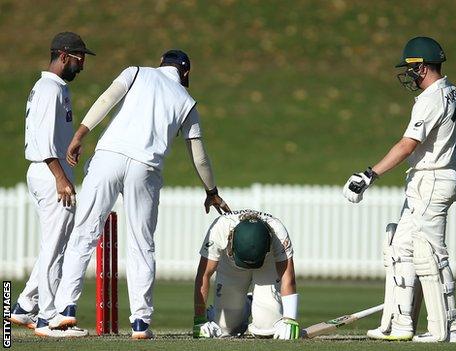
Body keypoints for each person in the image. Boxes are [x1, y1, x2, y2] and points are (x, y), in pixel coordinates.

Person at [48, 50, 231, 339]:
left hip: (109, 156)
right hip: (146, 167)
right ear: (185, 74)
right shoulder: (187, 102)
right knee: (141, 244)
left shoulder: (135, 72)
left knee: (84, 233)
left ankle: (65, 311)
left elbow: (106, 100)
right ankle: (140, 324)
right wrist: (212, 192)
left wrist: (79, 135)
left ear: (161, 64)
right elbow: (199, 156)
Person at [343, 36, 456, 343]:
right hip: (432, 178)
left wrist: (370, 174)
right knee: (400, 248)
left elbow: (407, 145)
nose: (409, 75)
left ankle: (446, 327)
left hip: (431, 180)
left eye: (412, 68)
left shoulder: (432, 98)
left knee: (431, 254)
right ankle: (402, 324)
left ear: (424, 67)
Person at [9, 32, 94, 338]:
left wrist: (68, 145)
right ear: (63, 56)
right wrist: (60, 177)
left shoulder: (53, 87)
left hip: (49, 171)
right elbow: (43, 141)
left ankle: (23, 307)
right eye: (78, 58)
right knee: (55, 247)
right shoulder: (48, 88)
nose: (81, 65)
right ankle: (47, 318)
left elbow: (51, 136)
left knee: (55, 244)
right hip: (49, 174)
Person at [192, 209, 299, 340]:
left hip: (267, 261)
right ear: (230, 238)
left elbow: (288, 277)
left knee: (266, 329)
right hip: (230, 262)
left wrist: (290, 319)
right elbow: (204, 275)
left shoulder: (278, 233)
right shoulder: (220, 228)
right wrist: (199, 320)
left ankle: (259, 303)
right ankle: (247, 303)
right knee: (225, 329)